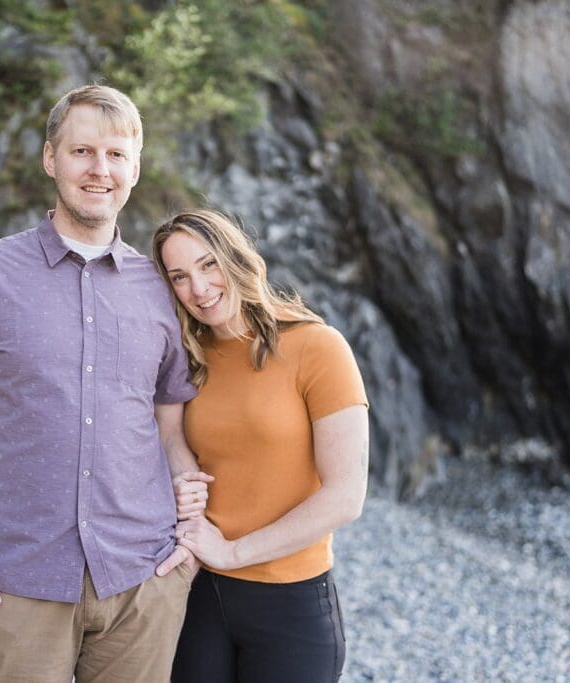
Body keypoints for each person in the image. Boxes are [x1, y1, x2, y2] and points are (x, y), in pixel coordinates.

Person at [0, 85, 208, 682]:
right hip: (15, 585)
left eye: (116, 155)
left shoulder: (161, 290)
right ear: (51, 159)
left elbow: (170, 431)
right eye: (82, 151)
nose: (100, 170)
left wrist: (188, 547)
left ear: (135, 168)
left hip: (142, 584)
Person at [152, 209, 370, 683]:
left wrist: (233, 553)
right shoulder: (189, 357)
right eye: (180, 277)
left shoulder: (319, 347)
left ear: (236, 256)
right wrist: (183, 485)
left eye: (209, 265)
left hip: (291, 603)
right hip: (200, 595)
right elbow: (171, 436)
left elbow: (346, 496)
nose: (200, 288)